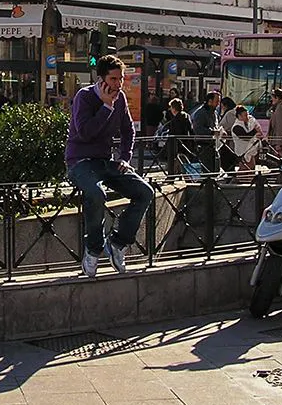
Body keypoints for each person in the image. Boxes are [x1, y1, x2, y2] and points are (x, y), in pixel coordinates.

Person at [65, 54, 154, 278]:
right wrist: (105, 107)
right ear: (101, 79)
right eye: (113, 79)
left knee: (144, 191)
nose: (118, 84)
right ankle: (93, 250)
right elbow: (84, 133)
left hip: (106, 161)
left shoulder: (121, 98)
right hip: (80, 162)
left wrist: (125, 157)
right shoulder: (84, 97)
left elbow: (128, 131)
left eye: (120, 79)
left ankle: (118, 243)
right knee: (96, 194)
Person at [191, 91, 221, 173]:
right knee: (207, 168)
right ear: (210, 101)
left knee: (215, 167)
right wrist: (212, 132)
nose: (218, 104)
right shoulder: (200, 113)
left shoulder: (214, 112)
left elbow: (215, 125)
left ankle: (211, 182)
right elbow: (197, 129)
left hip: (212, 144)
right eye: (217, 101)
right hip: (203, 145)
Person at [164, 98, 194, 175]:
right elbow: (191, 129)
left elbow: (174, 132)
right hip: (186, 142)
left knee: (174, 159)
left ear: (174, 109)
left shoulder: (176, 119)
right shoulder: (186, 115)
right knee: (183, 159)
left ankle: (172, 175)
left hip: (177, 143)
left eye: (171, 107)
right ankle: (182, 174)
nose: (170, 109)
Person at [231, 105, 263, 174]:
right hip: (242, 151)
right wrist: (255, 130)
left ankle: (247, 181)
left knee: (251, 167)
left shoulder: (248, 123)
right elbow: (246, 137)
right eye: (245, 115)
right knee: (244, 169)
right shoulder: (236, 127)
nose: (247, 117)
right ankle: (238, 181)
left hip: (250, 149)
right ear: (239, 116)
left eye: (247, 114)